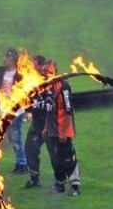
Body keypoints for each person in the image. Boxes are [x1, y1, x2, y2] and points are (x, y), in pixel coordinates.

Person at [42, 60, 81, 196]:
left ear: (55, 71)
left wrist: (63, 132)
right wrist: (46, 128)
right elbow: (48, 110)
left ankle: (75, 185)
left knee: (68, 158)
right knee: (55, 158)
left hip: (63, 129)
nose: (46, 73)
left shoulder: (63, 86)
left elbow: (68, 110)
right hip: (52, 130)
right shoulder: (47, 87)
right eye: (45, 71)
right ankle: (60, 183)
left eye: (49, 71)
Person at [23, 55, 51, 188]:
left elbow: (50, 103)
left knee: (58, 153)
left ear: (41, 65)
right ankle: (34, 179)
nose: (32, 68)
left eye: (34, 65)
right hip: (37, 124)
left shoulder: (49, 81)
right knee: (30, 148)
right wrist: (28, 110)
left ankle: (70, 183)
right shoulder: (31, 81)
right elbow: (27, 98)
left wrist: (34, 106)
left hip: (50, 124)